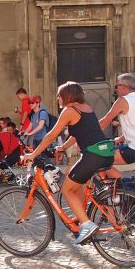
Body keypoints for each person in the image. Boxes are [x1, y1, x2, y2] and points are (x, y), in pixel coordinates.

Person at [26, 82, 115, 245]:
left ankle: (87, 225)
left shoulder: (69, 110)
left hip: (91, 155)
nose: (58, 98)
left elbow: (51, 135)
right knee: (76, 183)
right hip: (105, 153)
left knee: (67, 190)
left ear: (67, 95)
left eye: (59, 95)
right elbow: (78, 133)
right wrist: (63, 147)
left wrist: (33, 154)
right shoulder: (86, 107)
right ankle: (82, 219)